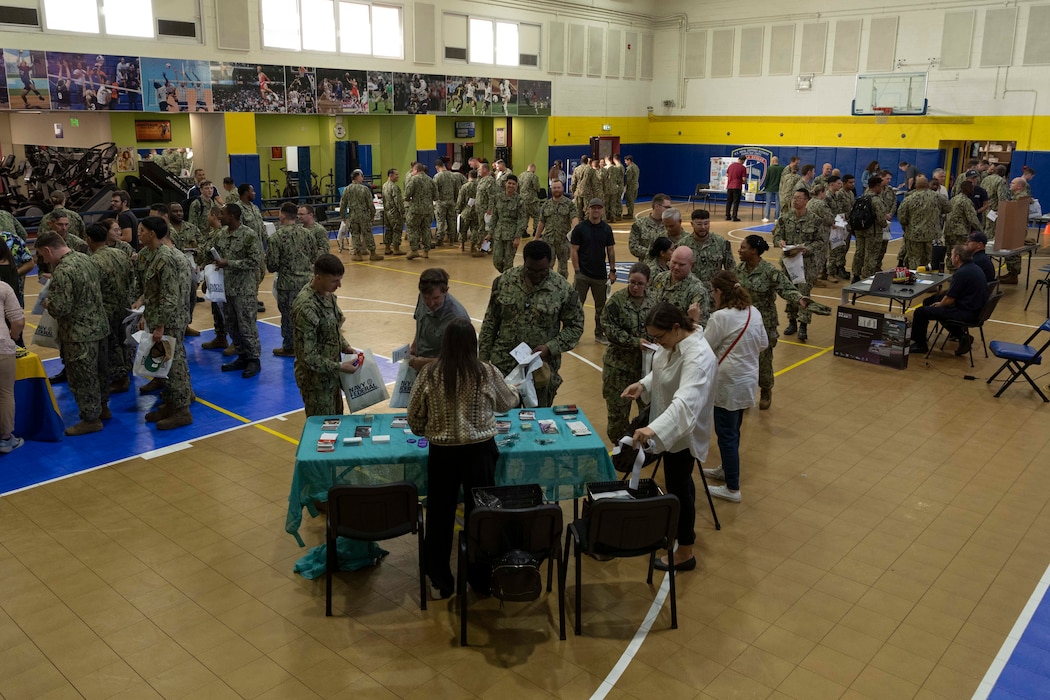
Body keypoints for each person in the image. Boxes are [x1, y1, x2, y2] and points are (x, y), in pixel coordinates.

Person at [408, 318, 519, 599]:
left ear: (445, 343)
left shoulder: (430, 373)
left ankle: (439, 580)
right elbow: (507, 402)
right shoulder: (486, 372)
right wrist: (515, 390)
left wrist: (429, 429)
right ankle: (480, 577)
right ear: (473, 343)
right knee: (480, 513)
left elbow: (414, 417)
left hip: (442, 453)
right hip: (479, 452)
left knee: (439, 514)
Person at [621, 302, 717, 572]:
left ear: (676, 328)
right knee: (681, 482)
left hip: (682, 432)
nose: (657, 342)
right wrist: (644, 385)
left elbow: (685, 403)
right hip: (668, 423)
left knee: (678, 488)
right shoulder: (673, 343)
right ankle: (681, 531)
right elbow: (662, 369)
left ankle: (685, 551)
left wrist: (654, 429)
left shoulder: (698, 356)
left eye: (659, 337)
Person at [479, 240, 584, 407]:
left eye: (542, 271)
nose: (536, 275)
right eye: (531, 270)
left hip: (540, 369)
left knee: (539, 417)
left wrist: (550, 347)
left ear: (550, 264)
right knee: (504, 416)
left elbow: (575, 326)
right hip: (504, 365)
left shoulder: (562, 289)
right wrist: (483, 361)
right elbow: (490, 322)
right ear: (524, 262)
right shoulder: (505, 282)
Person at [694, 271, 768, 503]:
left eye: (713, 292)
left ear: (719, 292)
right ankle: (726, 470)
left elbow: (703, 348)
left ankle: (732, 488)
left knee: (726, 434)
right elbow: (763, 343)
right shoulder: (754, 312)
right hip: (747, 381)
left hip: (727, 384)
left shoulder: (720, 317)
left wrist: (694, 322)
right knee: (734, 430)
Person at [35, 232, 110, 436]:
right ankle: (103, 408)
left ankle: (91, 419)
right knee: (100, 373)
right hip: (99, 327)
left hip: (78, 334)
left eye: (43, 255)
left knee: (82, 378)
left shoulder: (63, 270)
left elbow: (61, 308)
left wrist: (47, 303)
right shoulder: (86, 259)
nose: (44, 260)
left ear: (48, 250)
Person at [736, 235, 808, 410]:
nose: (739, 250)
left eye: (743, 247)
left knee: (764, 359)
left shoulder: (769, 271)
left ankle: (766, 390)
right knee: (743, 359)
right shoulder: (738, 270)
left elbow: (786, 289)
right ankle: (745, 394)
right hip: (743, 322)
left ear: (754, 251)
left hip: (764, 323)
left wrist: (799, 299)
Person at [137, 216, 194, 429]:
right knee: (164, 364)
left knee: (174, 363)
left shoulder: (166, 258)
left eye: (142, 230)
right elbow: (151, 289)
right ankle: (171, 403)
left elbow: (170, 297)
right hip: (157, 316)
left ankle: (182, 410)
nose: (139, 233)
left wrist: (160, 325)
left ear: (152, 234)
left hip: (170, 320)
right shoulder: (149, 254)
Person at [292, 254, 361, 416]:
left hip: (331, 377)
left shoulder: (327, 294)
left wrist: (346, 347)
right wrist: (339, 367)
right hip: (316, 384)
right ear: (318, 278)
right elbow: (307, 357)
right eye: (334, 281)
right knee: (323, 427)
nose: (339, 285)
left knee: (337, 422)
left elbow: (332, 329)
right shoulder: (306, 307)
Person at [600, 262, 655, 443]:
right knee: (617, 417)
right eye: (632, 282)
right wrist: (634, 342)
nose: (635, 287)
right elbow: (608, 328)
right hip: (619, 369)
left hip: (645, 370)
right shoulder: (616, 301)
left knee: (648, 413)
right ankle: (620, 449)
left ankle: (643, 449)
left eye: (640, 284)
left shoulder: (654, 302)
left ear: (648, 283)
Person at [910, 245, 990, 357]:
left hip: (966, 312)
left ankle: (920, 344)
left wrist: (939, 305)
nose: (950, 257)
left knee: (920, 312)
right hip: (975, 309)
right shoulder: (973, 268)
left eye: (952, 255)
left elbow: (949, 299)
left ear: (957, 257)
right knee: (930, 301)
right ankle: (960, 335)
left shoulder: (962, 273)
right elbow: (957, 291)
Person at [213, 203, 263, 379]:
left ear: (232, 216)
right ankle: (242, 356)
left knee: (247, 325)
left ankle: (253, 359)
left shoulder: (249, 235)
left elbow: (255, 261)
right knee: (232, 325)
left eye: (223, 213)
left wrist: (229, 263)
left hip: (244, 290)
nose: (220, 216)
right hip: (227, 288)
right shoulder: (221, 235)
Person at [84, 224, 135, 394]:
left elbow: (91, 290)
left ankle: (120, 378)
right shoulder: (121, 254)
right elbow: (131, 278)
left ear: (89, 240)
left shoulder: (92, 261)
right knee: (125, 340)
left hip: (106, 309)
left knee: (111, 345)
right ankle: (127, 368)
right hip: (125, 306)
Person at [267, 202, 318, 357]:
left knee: (288, 317)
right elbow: (314, 256)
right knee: (307, 315)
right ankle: (309, 345)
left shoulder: (276, 237)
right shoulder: (308, 234)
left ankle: (290, 347)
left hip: (287, 284)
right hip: (307, 283)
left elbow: (272, 265)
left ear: (282, 215)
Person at [570, 199, 617, 344]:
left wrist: (612, 270)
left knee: (601, 308)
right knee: (576, 307)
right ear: (588, 209)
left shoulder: (606, 229)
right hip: (582, 275)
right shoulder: (580, 229)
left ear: (602, 210)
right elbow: (574, 250)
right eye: (593, 208)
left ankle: (599, 333)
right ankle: (573, 334)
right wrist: (577, 270)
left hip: (600, 275)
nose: (596, 210)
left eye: (599, 208)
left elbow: (610, 250)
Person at [408, 268, 470, 371]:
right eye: (426, 298)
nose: (431, 303)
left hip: (442, 373)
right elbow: (421, 322)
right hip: (419, 366)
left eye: (436, 298)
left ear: (446, 290)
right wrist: (414, 347)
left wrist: (423, 363)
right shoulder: (422, 297)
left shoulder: (457, 319)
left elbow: (459, 360)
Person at [897, 176, 950, 269]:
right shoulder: (938, 197)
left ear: (916, 185)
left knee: (914, 260)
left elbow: (902, 217)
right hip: (933, 235)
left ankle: (915, 276)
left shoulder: (909, 198)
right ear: (927, 184)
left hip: (914, 235)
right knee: (932, 260)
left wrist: (906, 226)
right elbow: (948, 208)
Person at [650, 246, 710, 325]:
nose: (676, 267)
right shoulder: (660, 278)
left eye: (681, 264)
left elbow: (700, 324)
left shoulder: (697, 290)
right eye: (674, 262)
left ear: (691, 264)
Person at [849, 175, 892, 281]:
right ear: (876, 186)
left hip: (860, 230)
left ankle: (856, 275)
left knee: (859, 252)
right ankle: (867, 276)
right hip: (873, 232)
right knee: (871, 254)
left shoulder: (861, 198)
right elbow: (881, 218)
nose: (881, 189)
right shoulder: (876, 200)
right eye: (880, 186)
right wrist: (885, 224)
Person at [0, 279, 24, 454]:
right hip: (1, 347)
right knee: (5, 393)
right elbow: (18, 321)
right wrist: (13, 337)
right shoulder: (3, 287)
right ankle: (5, 439)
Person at [535, 179, 578, 277]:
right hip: (548, 241)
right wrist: (536, 238)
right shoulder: (546, 205)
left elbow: (574, 218)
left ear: (562, 188)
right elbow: (541, 222)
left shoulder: (569, 204)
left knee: (563, 269)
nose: (556, 190)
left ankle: (561, 286)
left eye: (558, 187)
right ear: (551, 189)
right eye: (554, 188)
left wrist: (575, 233)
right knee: (547, 267)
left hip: (563, 242)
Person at [681, 209, 733, 289]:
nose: (703, 227)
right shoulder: (683, 244)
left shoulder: (720, 242)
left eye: (706, 223)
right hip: (692, 291)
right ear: (692, 224)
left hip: (714, 291)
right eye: (699, 224)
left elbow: (730, 268)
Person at [487, 174, 527, 273]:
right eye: (509, 183)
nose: (511, 186)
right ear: (505, 183)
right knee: (497, 261)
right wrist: (490, 233)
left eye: (513, 184)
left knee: (508, 263)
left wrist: (517, 237)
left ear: (516, 186)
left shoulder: (519, 200)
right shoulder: (498, 197)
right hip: (499, 234)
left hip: (511, 235)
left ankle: (506, 279)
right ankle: (507, 276)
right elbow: (494, 216)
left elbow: (522, 219)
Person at [340, 169, 381, 262]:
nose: (362, 178)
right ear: (357, 177)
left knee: (355, 235)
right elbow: (370, 204)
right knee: (368, 234)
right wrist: (372, 215)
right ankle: (373, 253)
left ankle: (358, 254)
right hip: (364, 215)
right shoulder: (364, 189)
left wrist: (343, 216)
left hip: (353, 215)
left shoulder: (347, 189)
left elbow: (343, 204)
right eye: (361, 176)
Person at [404, 162, 436, 260]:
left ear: (416, 170)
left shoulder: (413, 180)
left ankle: (414, 250)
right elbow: (436, 196)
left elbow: (407, 194)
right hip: (428, 209)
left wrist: (409, 199)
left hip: (416, 209)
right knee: (426, 229)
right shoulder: (430, 180)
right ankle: (426, 251)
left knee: (412, 228)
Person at [628, 194, 671, 261]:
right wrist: (651, 252)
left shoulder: (670, 224)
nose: (669, 210)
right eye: (667, 207)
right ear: (657, 207)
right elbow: (633, 246)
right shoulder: (640, 224)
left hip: (665, 265)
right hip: (646, 264)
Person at [433, 159, 458, 246]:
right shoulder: (453, 175)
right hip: (451, 202)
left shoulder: (437, 176)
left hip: (441, 202)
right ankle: (451, 239)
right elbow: (457, 190)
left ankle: (440, 239)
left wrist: (435, 200)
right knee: (452, 220)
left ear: (437, 167)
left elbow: (435, 190)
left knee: (441, 221)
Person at [381, 169, 406, 256]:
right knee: (397, 230)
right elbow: (398, 201)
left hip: (387, 212)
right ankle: (396, 248)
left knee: (388, 230)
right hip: (394, 212)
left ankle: (387, 248)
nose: (398, 176)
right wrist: (402, 212)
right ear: (391, 175)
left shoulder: (384, 185)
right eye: (396, 175)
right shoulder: (394, 187)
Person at [518, 163, 542, 236]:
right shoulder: (533, 176)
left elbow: (517, 187)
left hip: (522, 199)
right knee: (536, 214)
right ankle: (536, 230)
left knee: (525, 216)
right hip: (531, 200)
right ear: (533, 168)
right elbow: (537, 188)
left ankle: (524, 231)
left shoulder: (521, 175)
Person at [760, 156, 784, 222]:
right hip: (778, 188)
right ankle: (777, 218)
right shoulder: (782, 168)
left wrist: (765, 186)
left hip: (769, 188)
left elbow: (767, 178)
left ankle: (766, 217)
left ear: (773, 161)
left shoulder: (770, 168)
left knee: (768, 203)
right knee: (778, 203)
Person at [725, 155, 746, 222]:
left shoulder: (731, 166)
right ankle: (734, 217)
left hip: (729, 186)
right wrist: (743, 182)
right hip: (737, 186)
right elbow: (744, 179)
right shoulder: (743, 168)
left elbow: (727, 175)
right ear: (743, 161)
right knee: (736, 202)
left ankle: (727, 216)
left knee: (729, 201)